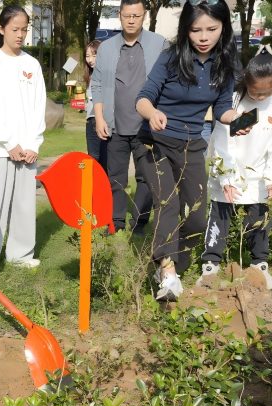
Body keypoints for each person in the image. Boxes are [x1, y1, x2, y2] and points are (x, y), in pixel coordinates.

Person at [135, 0, 243, 301]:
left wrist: (235, 119)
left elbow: (222, 108)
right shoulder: (171, 57)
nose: (204, 37)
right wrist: (152, 113)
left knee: (196, 216)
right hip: (154, 142)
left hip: (192, 144)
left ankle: (168, 264)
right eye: (196, 30)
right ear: (186, 30)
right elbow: (143, 98)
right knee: (167, 205)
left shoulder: (224, 64)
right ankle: (167, 275)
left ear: (224, 28)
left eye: (212, 29)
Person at [197, 46, 272, 290]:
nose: (260, 98)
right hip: (230, 164)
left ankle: (259, 264)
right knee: (220, 214)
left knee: (259, 218)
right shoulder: (233, 100)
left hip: (259, 170)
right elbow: (222, 140)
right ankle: (210, 264)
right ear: (246, 82)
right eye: (255, 92)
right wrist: (226, 177)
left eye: (266, 93)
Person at [0, 6, 46, 279]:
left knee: (25, 203)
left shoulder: (32, 64)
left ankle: (20, 254)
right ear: (2, 29)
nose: (20, 35)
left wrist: (32, 144)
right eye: (15, 29)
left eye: (24, 29)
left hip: (27, 148)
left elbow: (38, 106)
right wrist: (9, 143)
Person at [89, 0, 165, 234]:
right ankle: (116, 223)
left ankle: (140, 222)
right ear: (120, 16)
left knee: (147, 178)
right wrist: (100, 118)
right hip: (115, 124)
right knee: (116, 178)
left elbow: (167, 81)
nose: (131, 20)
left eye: (136, 16)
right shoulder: (107, 47)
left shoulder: (160, 44)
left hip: (146, 126)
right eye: (126, 16)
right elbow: (98, 84)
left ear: (144, 16)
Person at [83, 39, 104, 168]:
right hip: (90, 121)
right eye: (87, 56)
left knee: (100, 158)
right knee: (92, 158)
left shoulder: (105, 75)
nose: (90, 59)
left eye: (94, 55)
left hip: (101, 121)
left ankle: (105, 186)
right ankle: (93, 187)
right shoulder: (91, 76)